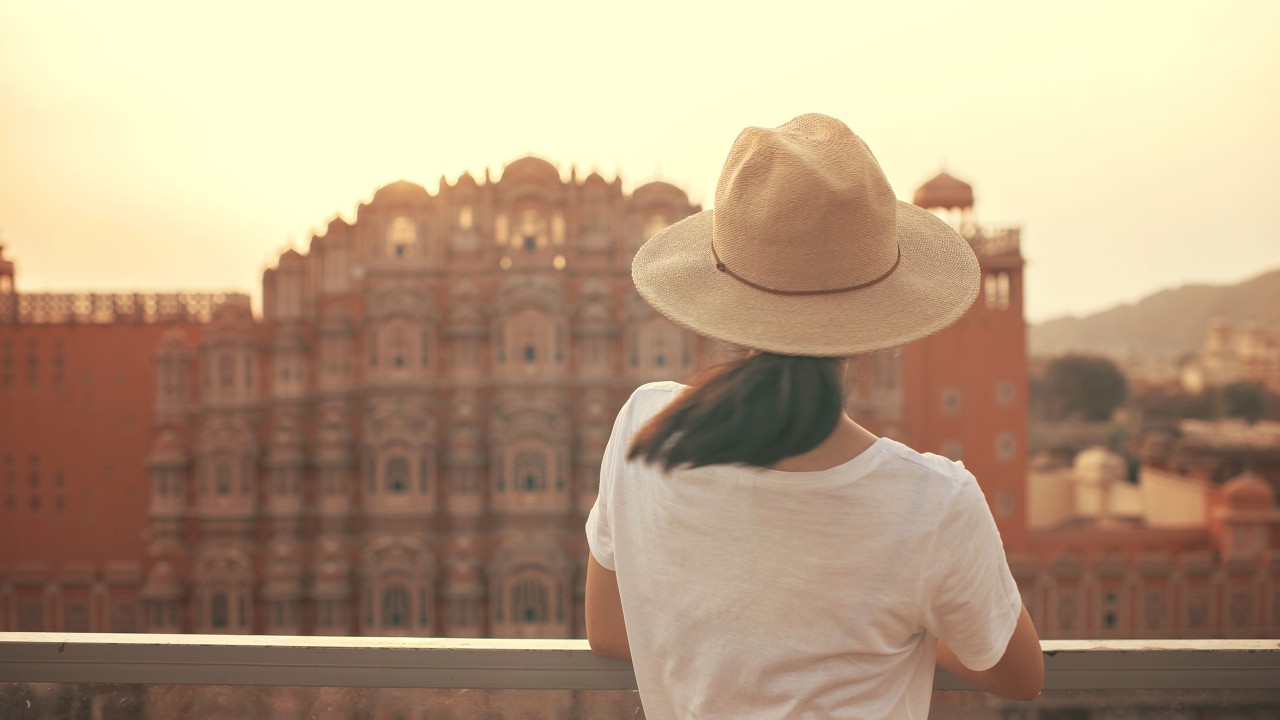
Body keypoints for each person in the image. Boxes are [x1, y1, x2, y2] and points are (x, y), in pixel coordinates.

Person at [584, 114, 1044, 719]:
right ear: (877, 317)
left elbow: (609, 632)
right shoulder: (930, 501)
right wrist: (898, 635)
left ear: (723, 292)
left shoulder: (642, 431)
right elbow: (1017, 676)